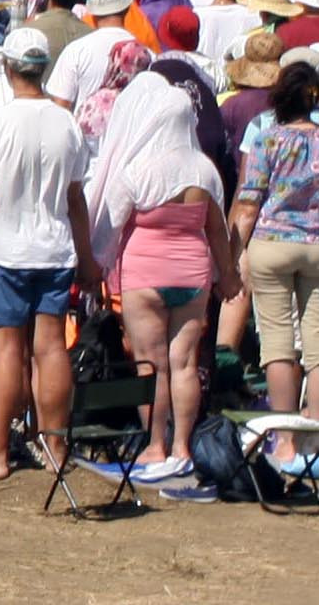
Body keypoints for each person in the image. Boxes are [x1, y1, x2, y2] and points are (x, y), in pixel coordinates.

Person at [0, 28, 97, 480]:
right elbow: (76, 200)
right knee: (51, 348)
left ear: (9, 69)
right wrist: (88, 257)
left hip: (6, 251)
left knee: (5, 353)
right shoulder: (65, 122)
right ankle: (54, 446)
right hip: (54, 248)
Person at [91, 71, 231, 487]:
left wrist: (97, 267)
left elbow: (109, 230)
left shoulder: (138, 172)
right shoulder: (204, 171)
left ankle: (155, 444)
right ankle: (183, 447)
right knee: (184, 362)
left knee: (151, 366)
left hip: (144, 273)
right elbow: (217, 232)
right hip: (192, 271)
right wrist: (227, 277)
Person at [231, 61, 319, 474]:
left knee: (279, 344)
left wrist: (235, 251)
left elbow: (249, 202)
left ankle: (285, 443)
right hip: (316, 244)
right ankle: (314, 439)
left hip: (272, 242)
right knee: (317, 346)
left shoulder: (268, 140)